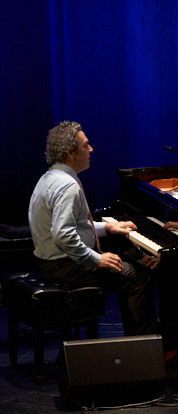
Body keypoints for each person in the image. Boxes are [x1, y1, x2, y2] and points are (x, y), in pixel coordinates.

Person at [28, 121, 157, 336]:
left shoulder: (50, 177)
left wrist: (108, 227)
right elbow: (64, 235)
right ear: (70, 152)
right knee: (139, 277)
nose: (91, 150)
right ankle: (143, 349)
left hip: (54, 262)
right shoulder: (67, 186)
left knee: (128, 257)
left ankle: (137, 341)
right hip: (66, 266)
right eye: (86, 145)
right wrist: (96, 259)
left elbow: (73, 226)